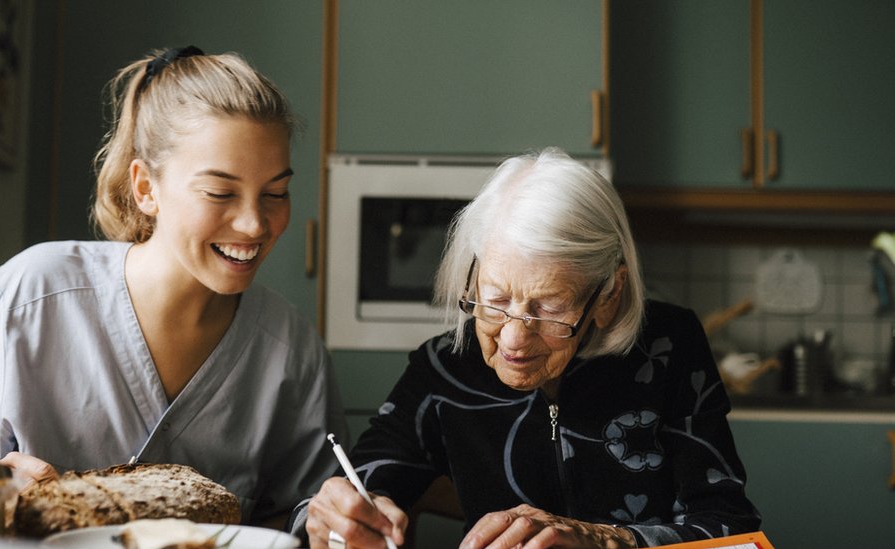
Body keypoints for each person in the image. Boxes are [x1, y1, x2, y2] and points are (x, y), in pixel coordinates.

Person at [0, 46, 347, 527]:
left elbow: (307, 514)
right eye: (220, 192)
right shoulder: (33, 294)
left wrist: (332, 520)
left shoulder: (293, 350)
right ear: (145, 188)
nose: (253, 224)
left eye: (276, 193)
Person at [294, 148, 761, 548]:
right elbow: (359, 479)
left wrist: (604, 540)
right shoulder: (444, 366)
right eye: (494, 301)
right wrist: (333, 516)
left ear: (609, 294)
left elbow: (734, 532)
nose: (513, 339)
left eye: (550, 309)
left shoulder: (669, 347)